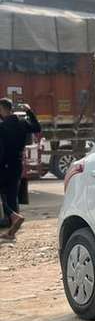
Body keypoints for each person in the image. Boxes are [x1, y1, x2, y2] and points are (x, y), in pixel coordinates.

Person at [0, 98, 41, 239]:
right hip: (17, 164)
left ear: (2, 109)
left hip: (4, 165)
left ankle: (13, 216)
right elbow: (37, 128)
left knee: (4, 196)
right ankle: (12, 231)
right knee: (12, 196)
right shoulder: (22, 123)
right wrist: (29, 111)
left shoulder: (2, 127)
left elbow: (1, 150)